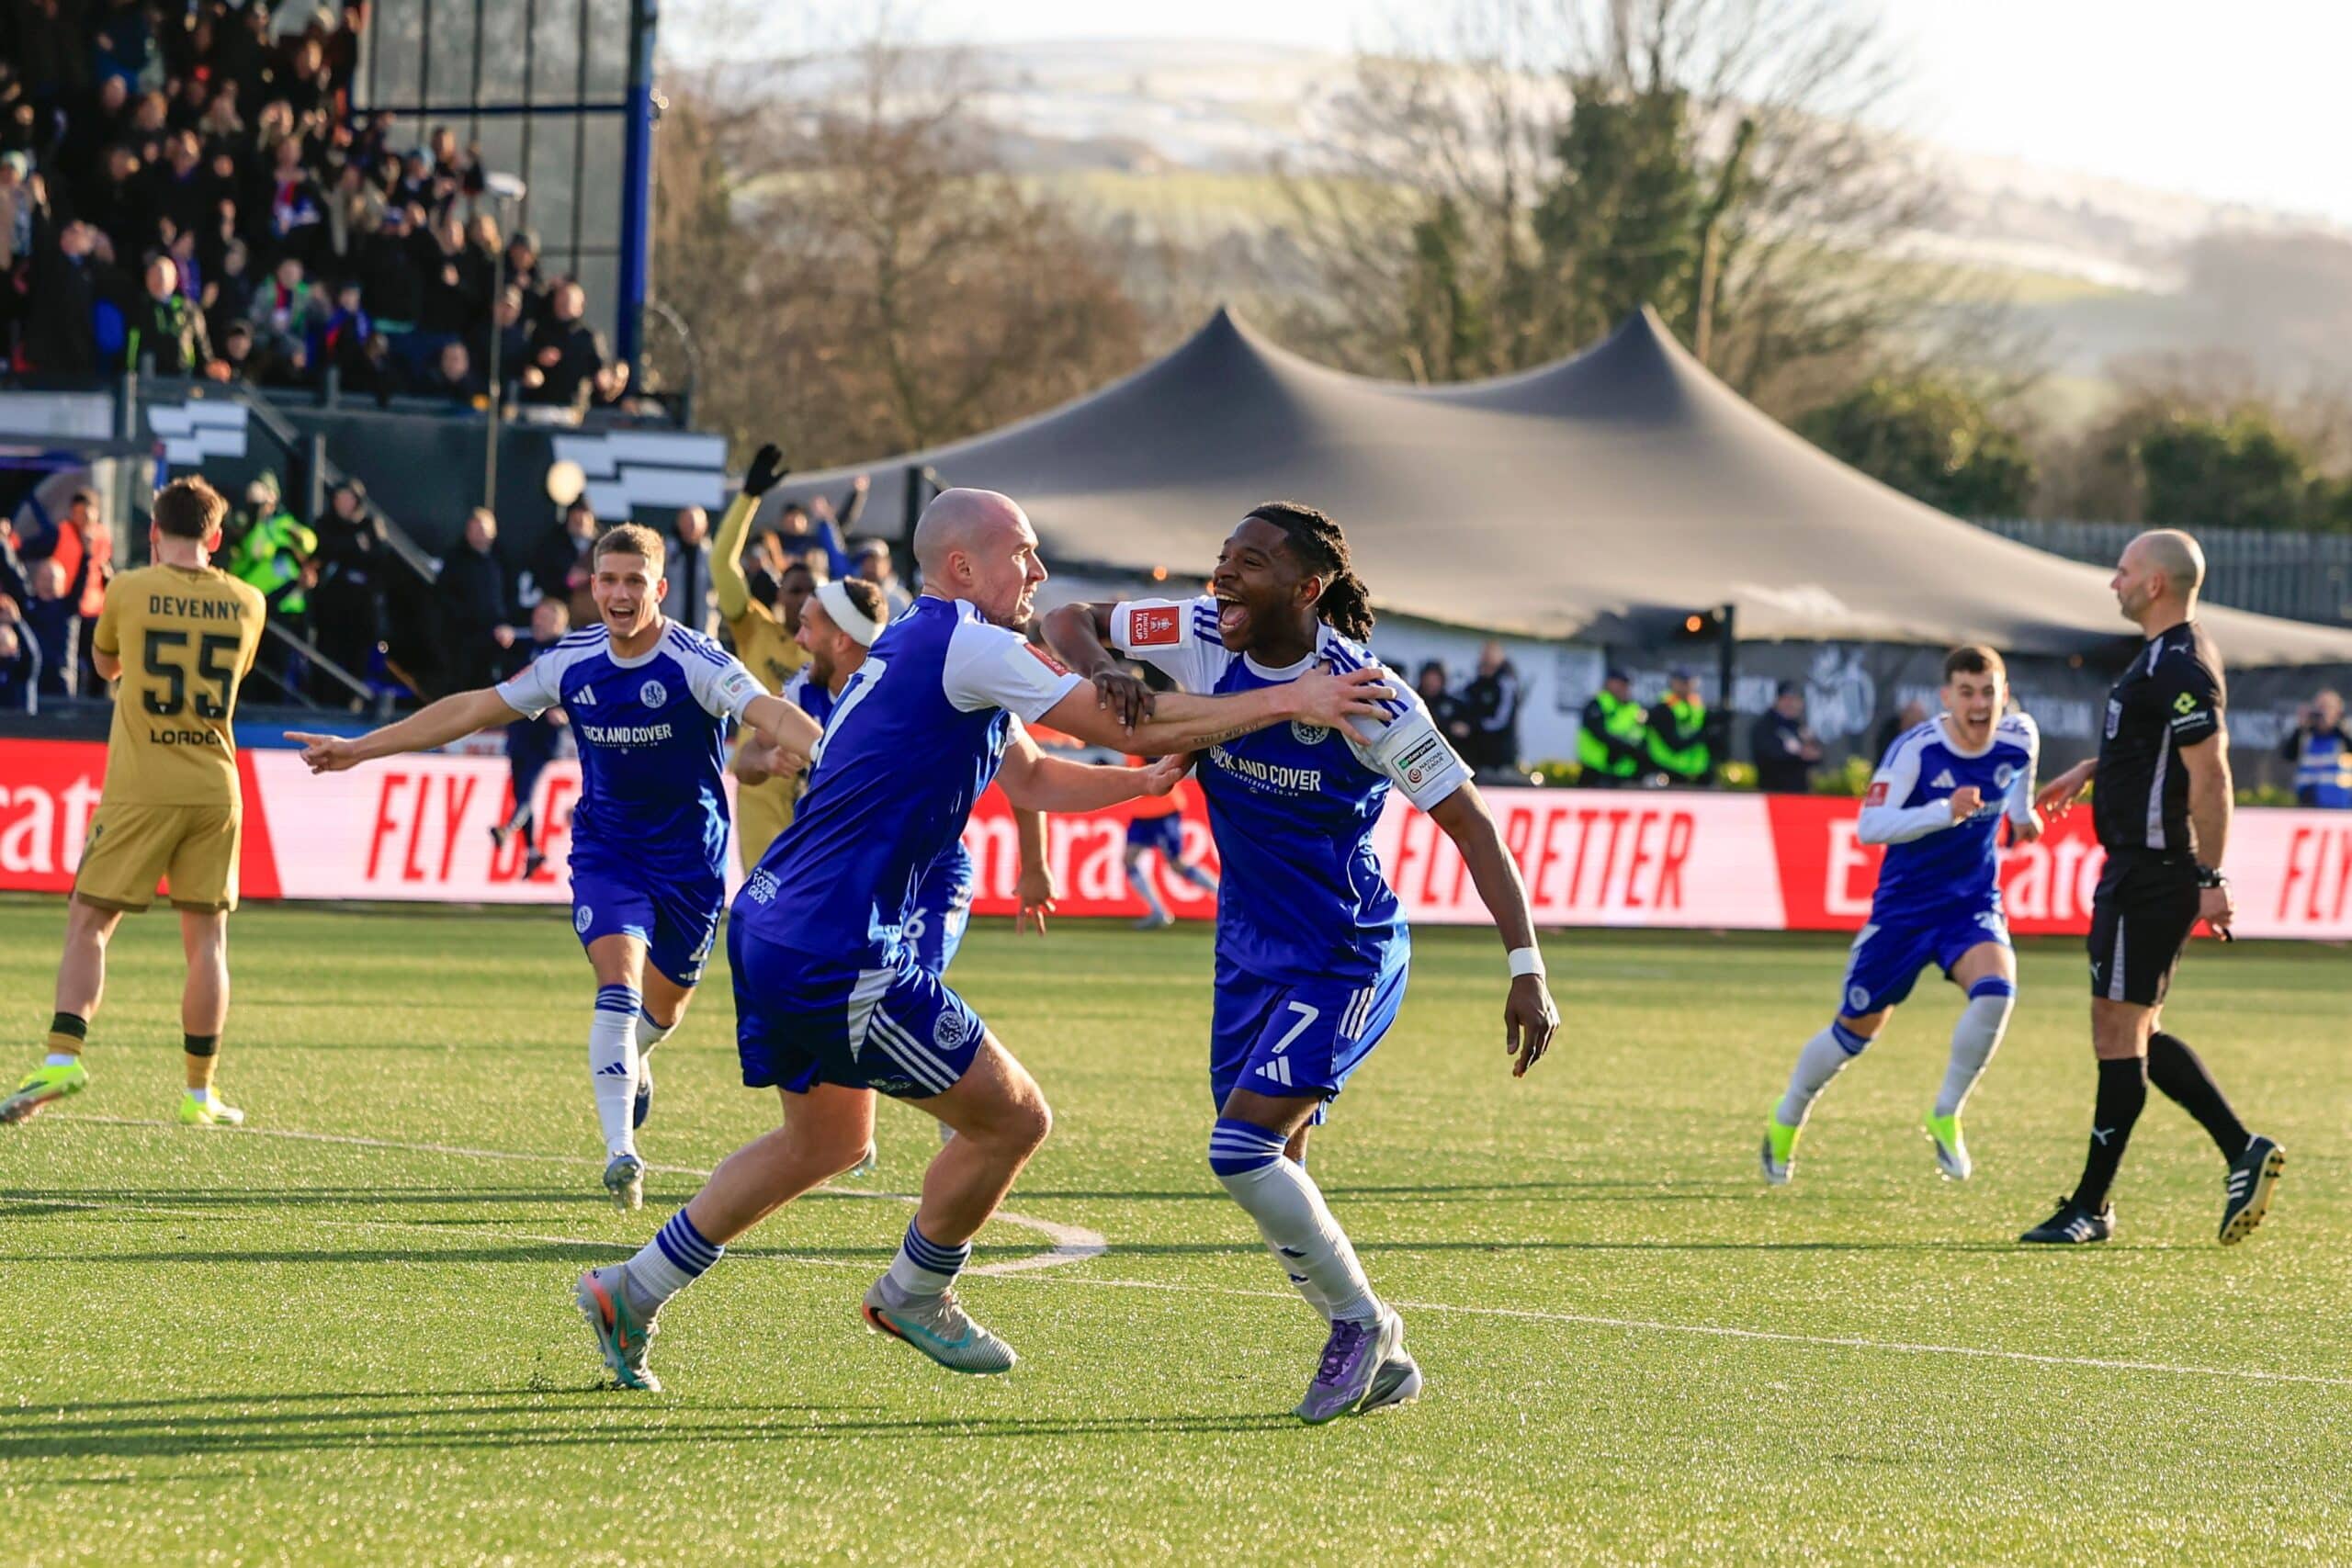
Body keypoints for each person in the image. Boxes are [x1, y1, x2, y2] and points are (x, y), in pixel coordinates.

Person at [573, 481, 1394, 1393]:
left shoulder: (919, 643)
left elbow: (1033, 778)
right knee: (1013, 1119)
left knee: (824, 1143)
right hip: (839, 945)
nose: (1038, 570)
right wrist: (1291, 699)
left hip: (775, 924)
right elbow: (1126, 718)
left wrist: (1142, 784)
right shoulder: (972, 644)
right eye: (1022, 553)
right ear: (963, 567)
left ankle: (631, 1290)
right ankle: (915, 1291)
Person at [1045, 501, 1560, 1423]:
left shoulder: (1368, 696)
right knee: (1274, 1168)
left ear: (1306, 587)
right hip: (1246, 952)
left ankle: (1363, 1324)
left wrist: (1527, 967)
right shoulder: (1200, 630)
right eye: (1222, 555)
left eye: (1249, 562)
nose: (1223, 575)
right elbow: (1067, 617)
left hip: (1342, 953)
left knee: (1239, 1151)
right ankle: (1381, 1360)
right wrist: (1104, 667)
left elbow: (1471, 824)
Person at [292, 524, 821, 1207]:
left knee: (662, 1010)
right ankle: (622, 1152)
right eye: (610, 580)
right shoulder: (570, 660)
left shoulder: (696, 660)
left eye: (635, 581)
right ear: (592, 587)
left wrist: (836, 755)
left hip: (690, 863)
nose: (621, 594)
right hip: (608, 852)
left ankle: (638, 1055)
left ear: (660, 588)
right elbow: (473, 708)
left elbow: (769, 712)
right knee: (618, 987)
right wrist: (360, 748)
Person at [739, 576, 1071, 1172]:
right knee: (867, 994)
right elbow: (746, 761)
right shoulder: (802, 691)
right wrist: (767, 757)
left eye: (810, 625)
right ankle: (858, 1125)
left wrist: (1035, 863)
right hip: (854, 882)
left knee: (902, 988)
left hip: (932, 874)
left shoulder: (934, 675)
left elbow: (1025, 772)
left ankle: (959, 1105)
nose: (799, 637)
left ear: (842, 639)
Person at [2023, 529, 2283, 1247]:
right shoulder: (2161, 655)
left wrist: (2210, 877)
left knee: (2117, 1028)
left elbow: (2212, 775)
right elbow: (2156, 749)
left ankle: (2092, 1205)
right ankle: (2242, 1150)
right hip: (2140, 868)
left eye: (2124, 570)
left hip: (2154, 871)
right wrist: (2093, 769)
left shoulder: (2182, 662)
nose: (2115, 582)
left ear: (2156, 583)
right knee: (2134, 1027)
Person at [1, 479, 266, 1128]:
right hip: (216, 786)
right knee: (208, 941)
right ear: (217, 536)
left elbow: (105, 666)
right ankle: (200, 1094)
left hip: (142, 785)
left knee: (89, 922)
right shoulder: (248, 601)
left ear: (153, 530)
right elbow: (234, 674)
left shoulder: (129, 589)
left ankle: (64, 1056)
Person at [1761, 647, 2041, 1186]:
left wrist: (2022, 814)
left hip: (1971, 904)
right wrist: (1943, 811)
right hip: (1904, 912)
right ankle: (1787, 1115)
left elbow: (2021, 777)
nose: (1978, 705)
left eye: (1988, 692)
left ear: (2004, 695)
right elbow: (1870, 827)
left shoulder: (2020, 735)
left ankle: (1946, 1113)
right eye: (1966, 693)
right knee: (1854, 1032)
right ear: (1946, 697)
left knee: (1996, 993)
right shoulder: (1917, 749)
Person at [709, 453, 814, 873]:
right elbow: (721, 564)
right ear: (779, 594)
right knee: (764, 893)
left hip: (813, 786)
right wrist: (748, 498)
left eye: (811, 590)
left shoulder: (833, 649)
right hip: (759, 778)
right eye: (794, 590)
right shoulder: (755, 628)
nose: (802, 598)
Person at [488, 598, 571, 879]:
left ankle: (507, 829)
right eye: (537, 617)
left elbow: (575, 689)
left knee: (526, 792)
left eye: (545, 618)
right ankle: (533, 851)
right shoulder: (529, 647)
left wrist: (565, 712)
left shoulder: (565, 651)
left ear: (559, 622)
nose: (538, 622)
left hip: (542, 738)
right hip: (520, 731)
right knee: (521, 792)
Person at [438, 507, 514, 693]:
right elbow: (445, 595)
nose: (480, 534)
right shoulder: (455, 559)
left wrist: (506, 622)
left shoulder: (502, 559)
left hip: (496, 635)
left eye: (484, 529)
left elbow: (511, 592)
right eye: (475, 529)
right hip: (464, 637)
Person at [1455, 639, 1522, 781]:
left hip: (1500, 759)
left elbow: (1499, 721)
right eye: (1484, 655)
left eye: (1490, 655)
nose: (1485, 659)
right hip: (1477, 759)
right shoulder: (1475, 685)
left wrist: (1471, 727)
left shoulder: (1506, 684)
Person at [2277, 689, 2351, 808]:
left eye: (2328, 708)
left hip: (2341, 802)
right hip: (2309, 801)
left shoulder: (2343, 736)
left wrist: (2339, 727)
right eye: (2319, 708)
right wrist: (2300, 727)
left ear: (2338, 711)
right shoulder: (2306, 735)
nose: (2322, 713)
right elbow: (2288, 756)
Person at [1577, 669, 1645, 786]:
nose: (1624, 688)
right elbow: (1599, 733)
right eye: (1621, 684)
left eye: (1626, 685)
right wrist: (1624, 745)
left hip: (1625, 773)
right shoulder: (1597, 704)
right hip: (1595, 772)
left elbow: (1641, 737)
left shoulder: (1634, 708)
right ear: (1609, 683)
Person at [1645, 665, 1711, 786]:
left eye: (1689, 682)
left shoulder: (1697, 704)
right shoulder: (1664, 707)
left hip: (1695, 772)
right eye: (1683, 682)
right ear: (1673, 683)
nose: (1687, 686)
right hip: (1667, 771)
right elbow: (1674, 744)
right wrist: (1702, 735)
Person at [1752, 682, 1822, 794]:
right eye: (1787, 700)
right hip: (1773, 791)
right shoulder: (1766, 725)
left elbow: (1817, 754)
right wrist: (1799, 754)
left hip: (1798, 792)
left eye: (1796, 700)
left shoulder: (1798, 726)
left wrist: (1812, 753)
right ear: (1777, 701)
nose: (1792, 704)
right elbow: (1768, 754)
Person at [663, 505, 717, 638]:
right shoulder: (666, 552)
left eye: (696, 523)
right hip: (671, 628)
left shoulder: (712, 555)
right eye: (688, 522)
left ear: (705, 525)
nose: (692, 526)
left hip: (702, 630)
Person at [1874, 698, 1929, 766]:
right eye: (1914, 715)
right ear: (1904, 715)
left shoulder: (1926, 735)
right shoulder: (1888, 731)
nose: (1918, 721)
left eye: (1921, 718)